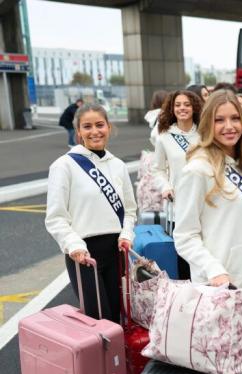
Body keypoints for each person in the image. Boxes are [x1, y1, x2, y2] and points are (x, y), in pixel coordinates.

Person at [173, 89, 242, 293]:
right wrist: (214, 270)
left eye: (235, 118)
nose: (229, 126)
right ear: (208, 123)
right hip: (217, 286)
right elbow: (185, 236)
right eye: (219, 120)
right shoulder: (197, 170)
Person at [46, 104, 137, 323]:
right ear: (78, 131)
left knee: (118, 317)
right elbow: (55, 217)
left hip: (116, 251)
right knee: (97, 319)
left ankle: (118, 358)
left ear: (108, 127)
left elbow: (130, 210)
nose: (94, 131)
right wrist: (73, 245)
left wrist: (126, 234)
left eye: (99, 125)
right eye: (87, 126)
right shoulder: (63, 166)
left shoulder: (118, 165)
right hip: (84, 255)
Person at [153, 90, 202, 279]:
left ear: (194, 107)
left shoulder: (204, 132)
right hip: (178, 203)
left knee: (202, 249)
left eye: (187, 104)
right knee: (183, 252)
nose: (182, 108)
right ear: (172, 109)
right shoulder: (164, 136)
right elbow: (158, 169)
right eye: (178, 105)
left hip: (203, 201)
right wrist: (165, 186)